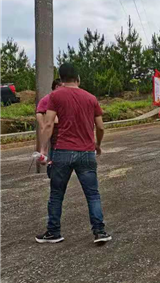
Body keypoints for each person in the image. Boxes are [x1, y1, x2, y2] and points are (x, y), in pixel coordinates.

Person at [36, 63, 111, 244]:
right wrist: (98, 145)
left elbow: (48, 124)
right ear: (78, 79)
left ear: (60, 79)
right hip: (86, 152)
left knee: (56, 194)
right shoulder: (91, 98)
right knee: (92, 194)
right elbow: (100, 126)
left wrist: (43, 150)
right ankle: (99, 232)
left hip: (62, 151)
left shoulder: (55, 96)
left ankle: (53, 232)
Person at [36, 79, 62, 177]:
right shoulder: (48, 99)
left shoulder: (64, 98)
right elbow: (42, 122)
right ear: (57, 87)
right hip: (55, 131)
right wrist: (43, 150)